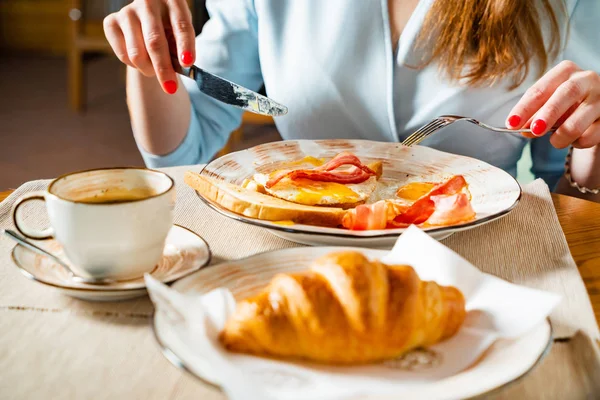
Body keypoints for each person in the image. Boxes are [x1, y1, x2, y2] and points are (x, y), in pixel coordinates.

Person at [103, 0, 600, 202]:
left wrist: (594, 144)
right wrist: (147, 58)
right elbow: (180, 150)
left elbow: (573, 186)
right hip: (294, 251)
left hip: (481, 263)